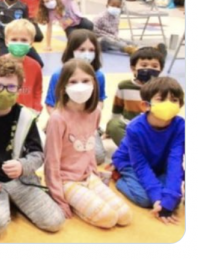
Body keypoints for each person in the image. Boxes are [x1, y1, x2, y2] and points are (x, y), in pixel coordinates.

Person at [0, 57, 64, 238]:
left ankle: (15, 201)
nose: (4, 92)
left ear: (19, 89)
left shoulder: (26, 117)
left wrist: (23, 165)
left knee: (55, 222)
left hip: (21, 181)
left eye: (11, 87)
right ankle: (6, 203)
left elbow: (38, 154)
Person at [44, 59, 132, 228]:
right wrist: (58, 197)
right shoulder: (57, 118)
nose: (80, 86)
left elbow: (89, 148)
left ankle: (83, 199)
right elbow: (51, 160)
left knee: (124, 216)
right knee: (108, 218)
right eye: (73, 81)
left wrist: (94, 175)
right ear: (63, 86)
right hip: (65, 180)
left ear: (94, 84)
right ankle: (76, 205)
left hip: (88, 176)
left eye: (85, 81)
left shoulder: (95, 112)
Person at [112, 77, 184, 223]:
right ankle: (119, 177)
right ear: (146, 105)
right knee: (145, 199)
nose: (168, 104)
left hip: (159, 164)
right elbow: (140, 164)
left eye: (174, 100)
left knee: (173, 197)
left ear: (180, 104)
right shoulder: (134, 128)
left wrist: (169, 199)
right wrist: (157, 197)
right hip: (130, 162)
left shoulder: (180, 126)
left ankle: (159, 188)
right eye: (161, 99)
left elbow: (175, 161)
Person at [44, 29, 108, 164]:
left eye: (91, 50)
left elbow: (100, 100)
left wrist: (91, 118)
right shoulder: (58, 75)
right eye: (82, 49)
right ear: (71, 50)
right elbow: (50, 104)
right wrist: (62, 122)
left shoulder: (99, 76)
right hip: (64, 122)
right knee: (57, 154)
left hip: (87, 122)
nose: (87, 54)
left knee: (98, 156)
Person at [0, 20, 43, 114]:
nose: (18, 43)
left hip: (26, 114)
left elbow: (37, 90)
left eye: (24, 40)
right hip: (1, 115)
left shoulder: (35, 66)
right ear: (6, 41)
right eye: (14, 39)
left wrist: (36, 108)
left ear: (31, 42)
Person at [106, 47, 165, 146]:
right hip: (129, 125)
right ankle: (131, 149)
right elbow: (117, 110)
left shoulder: (164, 87)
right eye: (144, 65)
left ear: (160, 70)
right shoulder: (124, 86)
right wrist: (109, 131)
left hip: (154, 128)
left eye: (154, 66)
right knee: (113, 124)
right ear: (133, 69)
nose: (149, 69)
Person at [37, 0, 101, 50]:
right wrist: (48, 45)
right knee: (74, 39)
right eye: (47, 1)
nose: (50, 2)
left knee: (89, 25)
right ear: (43, 3)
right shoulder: (50, 12)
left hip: (79, 20)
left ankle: (92, 40)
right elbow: (49, 28)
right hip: (69, 27)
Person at [0, 0, 43, 66]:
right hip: (4, 39)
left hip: (21, 39)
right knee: (1, 64)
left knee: (39, 63)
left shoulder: (23, 6)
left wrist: (27, 39)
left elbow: (26, 23)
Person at [93, 0, 160, 56]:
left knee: (127, 41)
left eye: (118, 7)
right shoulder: (100, 17)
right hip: (100, 41)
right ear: (107, 5)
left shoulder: (116, 17)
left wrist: (115, 38)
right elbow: (93, 30)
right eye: (113, 6)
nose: (115, 8)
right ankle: (128, 49)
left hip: (113, 41)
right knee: (106, 40)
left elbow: (115, 32)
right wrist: (108, 36)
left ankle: (147, 49)